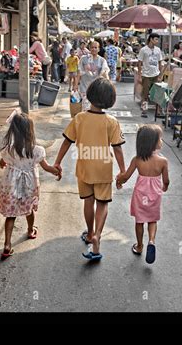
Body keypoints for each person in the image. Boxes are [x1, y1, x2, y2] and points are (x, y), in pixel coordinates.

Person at [54, 78, 126, 261]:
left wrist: (57, 162)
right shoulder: (112, 122)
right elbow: (117, 148)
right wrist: (123, 171)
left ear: (90, 95)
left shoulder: (79, 118)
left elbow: (66, 142)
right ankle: (97, 236)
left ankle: (90, 232)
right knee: (102, 203)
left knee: (88, 202)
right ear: (110, 100)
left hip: (84, 168)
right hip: (103, 169)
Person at [0, 111, 61, 261]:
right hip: (29, 187)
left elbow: (2, 163)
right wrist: (56, 171)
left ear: (13, 131)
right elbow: (47, 167)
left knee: (10, 215)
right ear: (30, 130)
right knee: (29, 210)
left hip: (11, 186)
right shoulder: (37, 150)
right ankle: (30, 230)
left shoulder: (8, 149)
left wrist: (6, 164)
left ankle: (7, 245)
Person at [116, 125, 169, 264]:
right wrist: (164, 187)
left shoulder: (137, 160)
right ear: (154, 142)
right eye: (160, 138)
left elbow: (126, 176)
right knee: (152, 220)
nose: (162, 141)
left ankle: (139, 246)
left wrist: (119, 180)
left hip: (140, 196)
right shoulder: (163, 161)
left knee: (139, 221)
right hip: (154, 196)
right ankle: (151, 240)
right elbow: (166, 181)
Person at [74, 41, 110, 110]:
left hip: (97, 90)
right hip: (84, 89)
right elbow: (78, 73)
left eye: (96, 47)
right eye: (92, 47)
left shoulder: (102, 61)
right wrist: (75, 85)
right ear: (89, 48)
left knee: (96, 110)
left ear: (99, 49)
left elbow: (105, 73)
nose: (94, 49)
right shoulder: (83, 59)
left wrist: (108, 85)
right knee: (85, 109)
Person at [138, 33, 164, 118]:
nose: (157, 41)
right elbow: (139, 63)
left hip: (155, 74)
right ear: (151, 39)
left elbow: (160, 62)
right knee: (145, 94)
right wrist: (139, 75)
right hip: (146, 75)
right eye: (156, 39)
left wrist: (160, 74)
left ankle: (158, 111)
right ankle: (144, 111)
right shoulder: (143, 50)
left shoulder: (158, 50)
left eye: (157, 39)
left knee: (157, 93)